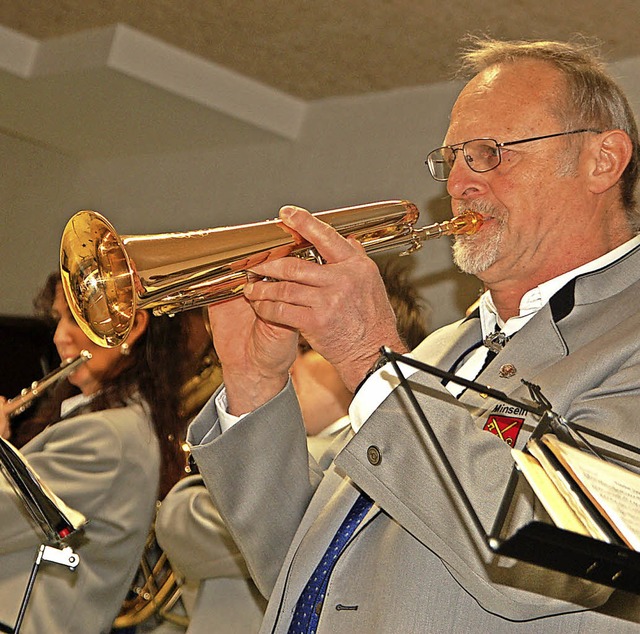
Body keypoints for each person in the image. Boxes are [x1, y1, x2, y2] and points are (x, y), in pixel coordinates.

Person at [184, 36, 640, 632]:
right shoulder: (437, 353)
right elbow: (306, 574)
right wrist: (254, 386)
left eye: (489, 152)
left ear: (602, 160)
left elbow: (573, 566)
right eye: (452, 158)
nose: (459, 183)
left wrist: (371, 361)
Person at [155, 260, 429, 633]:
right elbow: (177, 520)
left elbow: (188, 521)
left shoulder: (380, 457)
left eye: (307, 347)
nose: (289, 361)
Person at [0, 272, 190, 634]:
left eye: (78, 318)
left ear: (132, 328)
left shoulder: (107, 437)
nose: (59, 337)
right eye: (59, 319)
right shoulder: (96, 419)